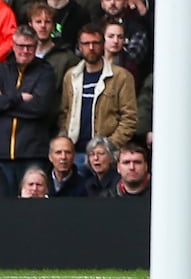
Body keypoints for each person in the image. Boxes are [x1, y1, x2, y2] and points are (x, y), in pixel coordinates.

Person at [58, 23, 138, 157]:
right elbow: (64, 112)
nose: (91, 48)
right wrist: (65, 139)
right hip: (75, 152)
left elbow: (129, 118)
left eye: (95, 43)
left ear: (103, 44)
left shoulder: (121, 76)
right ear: (79, 46)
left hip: (108, 154)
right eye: (86, 43)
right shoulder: (71, 76)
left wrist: (109, 145)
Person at [0, 26, 57, 195]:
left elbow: (40, 107)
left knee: (32, 207)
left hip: (32, 153)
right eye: (20, 46)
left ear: (36, 46)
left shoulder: (45, 72)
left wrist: (5, 101)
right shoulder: (2, 70)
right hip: (2, 155)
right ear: (13, 44)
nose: (25, 51)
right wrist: (18, 98)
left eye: (30, 46)